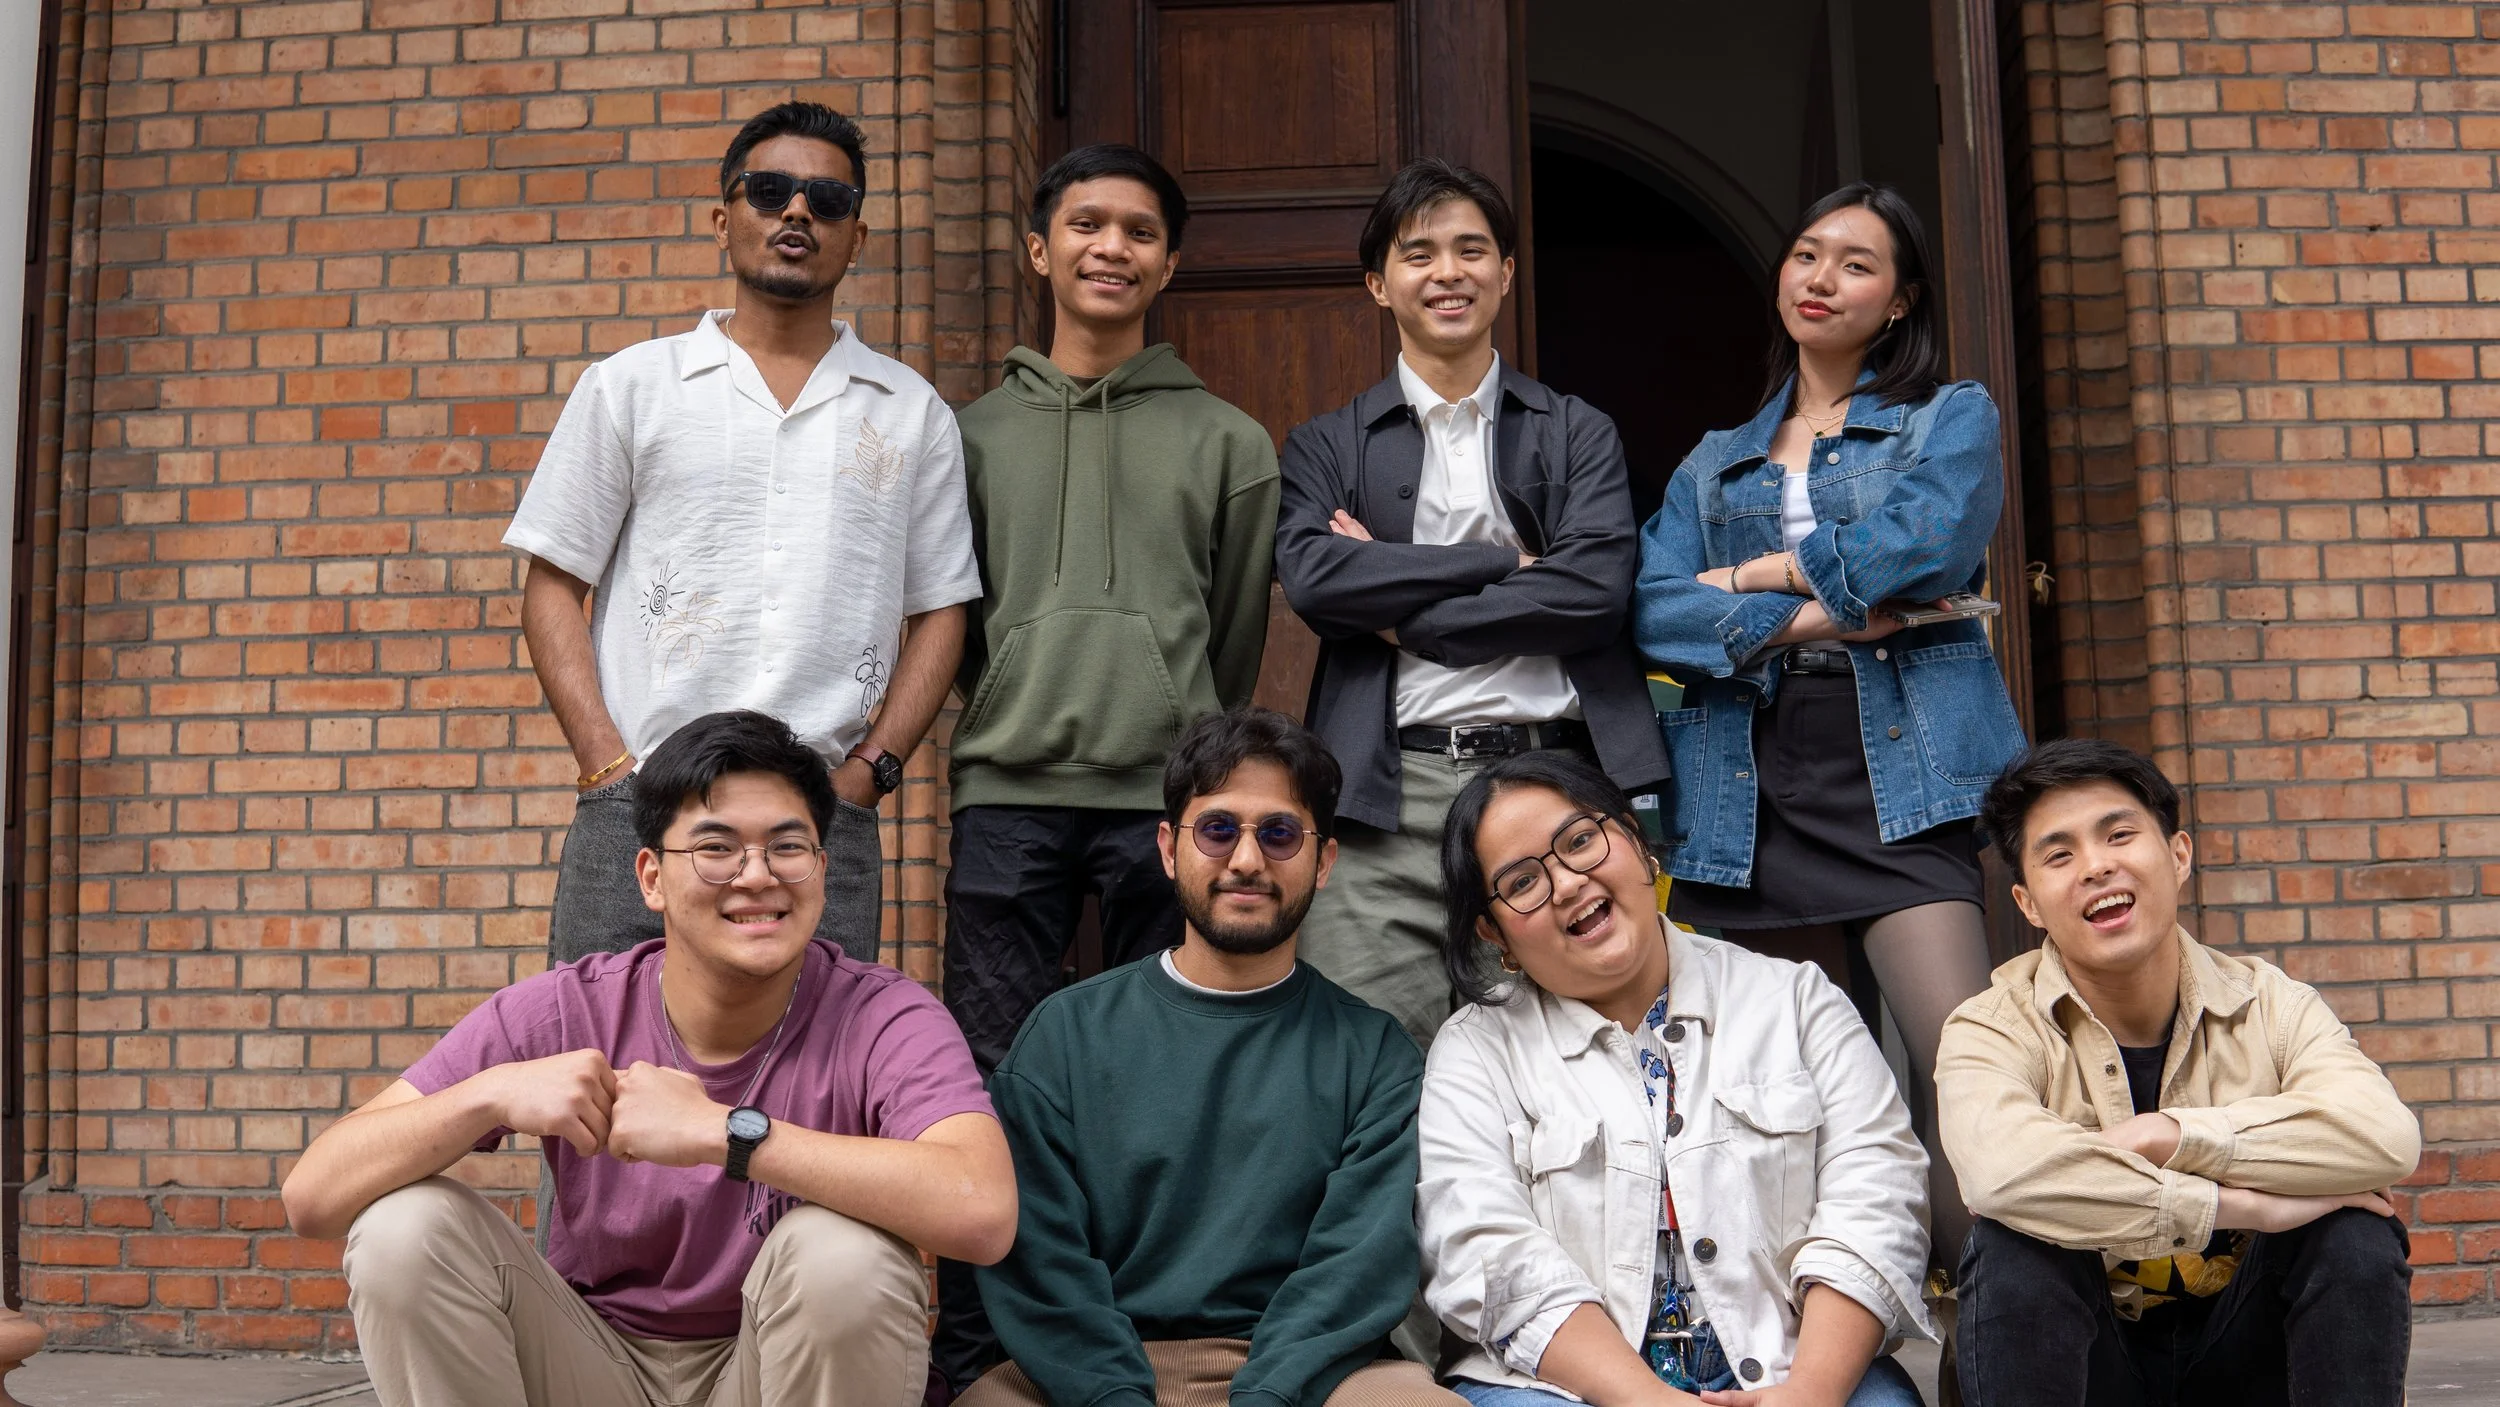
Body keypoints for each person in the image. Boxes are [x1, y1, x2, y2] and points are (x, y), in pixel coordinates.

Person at [282, 710, 1017, 1407]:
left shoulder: (883, 1014)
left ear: (822, 869)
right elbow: (314, 1196)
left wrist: (729, 1133)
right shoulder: (566, 1010)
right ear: (652, 877)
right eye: (716, 847)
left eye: (787, 847)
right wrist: (491, 1094)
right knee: (402, 1229)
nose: (756, 874)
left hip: (773, 1368)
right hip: (588, 1363)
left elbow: (982, 1209)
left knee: (843, 1254)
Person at [934, 139, 1282, 1398]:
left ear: (1169, 262)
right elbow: (950, 622)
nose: (1110, 248)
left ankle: (1136, 1347)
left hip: (1163, 811)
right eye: (1085, 224)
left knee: (1158, 1082)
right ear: (1040, 248)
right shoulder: (964, 435)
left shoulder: (1231, 440)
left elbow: (1233, 632)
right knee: (987, 1084)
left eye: (1138, 230)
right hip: (1008, 799)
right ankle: (978, 1356)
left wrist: (1179, 744)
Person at [1630, 181, 2025, 1268]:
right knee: (1787, 1093)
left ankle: (1987, 1348)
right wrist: (1831, 619)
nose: (1821, 279)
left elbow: (1929, 545)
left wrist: (1754, 578)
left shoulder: (1950, 418)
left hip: (1903, 770)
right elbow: (1655, 609)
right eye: (1807, 255)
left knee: (1963, 1069)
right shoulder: (1715, 459)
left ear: (1898, 302)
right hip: (1746, 783)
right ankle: (1831, 1351)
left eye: (1856, 263)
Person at [507, 100, 979, 966]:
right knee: (594, 1066)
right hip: (642, 804)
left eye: (827, 200)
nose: (797, 211)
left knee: (813, 1074)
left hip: (822, 817)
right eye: (771, 191)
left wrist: (869, 774)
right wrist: (607, 768)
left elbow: (942, 608)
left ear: (857, 236)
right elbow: (551, 579)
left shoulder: (911, 414)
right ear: (726, 219)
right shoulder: (632, 388)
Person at [1276, 159, 1669, 1051]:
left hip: (1557, 785)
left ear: (1506, 272)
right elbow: (1316, 581)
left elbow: (1593, 593)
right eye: (1420, 254)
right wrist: (1501, 563)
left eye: (1471, 250)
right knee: (1361, 1064)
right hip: (1387, 804)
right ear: (1380, 283)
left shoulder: (1576, 430)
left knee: (1568, 1059)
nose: (1448, 272)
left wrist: (1401, 593)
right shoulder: (1326, 444)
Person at [960, 708, 1460, 1407]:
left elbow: (1357, 1265)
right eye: (1218, 829)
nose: (1247, 860)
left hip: (1308, 1377)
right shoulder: (1065, 1034)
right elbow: (1040, 1256)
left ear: (1325, 861)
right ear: (1168, 849)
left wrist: (1268, 1395)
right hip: (1092, 1371)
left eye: (1280, 833)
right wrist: (1112, 1395)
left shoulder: (1374, 1052)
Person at [1421, 749, 1932, 1407]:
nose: (1569, 883)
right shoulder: (1473, 1052)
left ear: (1635, 841)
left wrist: (1810, 1390)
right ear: (1496, 934)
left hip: (1799, 1369)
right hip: (1560, 1390)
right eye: (1523, 882)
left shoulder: (1796, 999)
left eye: (1580, 841)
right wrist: (1649, 1399)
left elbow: (1877, 1198)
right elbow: (1487, 1256)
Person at [1940, 739, 2419, 1407]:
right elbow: (2003, 1175)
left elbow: (2384, 1136)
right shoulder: (1989, 1028)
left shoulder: (2273, 1003)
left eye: (2119, 834)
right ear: (2028, 903)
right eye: (2060, 853)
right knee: (2013, 1248)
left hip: (2244, 1359)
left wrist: (2166, 1134)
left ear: (2179, 854)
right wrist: (2247, 1206)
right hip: (2089, 1370)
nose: (2097, 866)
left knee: (2356, 1239)